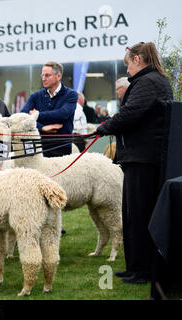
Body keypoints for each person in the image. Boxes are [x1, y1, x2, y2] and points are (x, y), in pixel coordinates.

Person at [96, 41, 173, 285]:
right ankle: (135, 267)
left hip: (144, 159)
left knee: (139, 215)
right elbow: (132, 113)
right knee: (131, 214)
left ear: (138, 60)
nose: (127, 71)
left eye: (128, 65)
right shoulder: (150, 81)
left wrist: (106, 126)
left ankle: (143, 271)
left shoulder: (148, 82)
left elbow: (131, 114)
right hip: (139, 158)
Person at [20, 61, 77, 157]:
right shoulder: (35, 96)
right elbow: (23, 116)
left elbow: (63, 114)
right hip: (39, 149)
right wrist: (41, 127)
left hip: (61, 150)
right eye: (42, 75)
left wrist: (37, 115)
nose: (43, 79)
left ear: (58, 76)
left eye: (47, 75)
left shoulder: (71, 95)